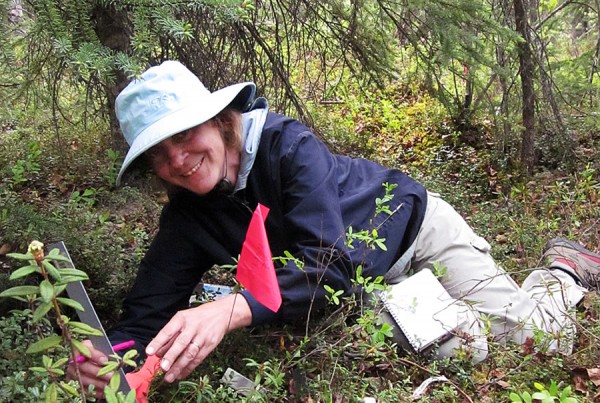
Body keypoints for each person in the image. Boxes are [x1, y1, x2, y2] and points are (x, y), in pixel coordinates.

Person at [67, 60, 600, 396]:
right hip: (362, 285)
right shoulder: (189, 213)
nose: (178, 161)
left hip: (414, 233)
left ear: (218, 118)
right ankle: (442, 310)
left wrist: (230, 308)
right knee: (464, 347)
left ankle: (561, 271)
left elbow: (329, 264)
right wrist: (110, 357)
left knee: (538, 340)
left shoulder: (286, 147)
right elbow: (148, 309)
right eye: (158, 155)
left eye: (184, 136)